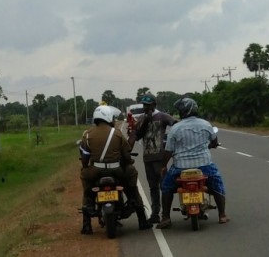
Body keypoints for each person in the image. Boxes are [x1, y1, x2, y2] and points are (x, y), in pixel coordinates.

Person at [155, 97, 229, 229]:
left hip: (180, 168)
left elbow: (169, 151)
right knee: (217, 184)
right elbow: (214, 141)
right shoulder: (206, 124)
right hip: (204, 166)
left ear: (183, 111)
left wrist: (163, 166)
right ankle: (222, 215)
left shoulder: (175, 128)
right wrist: (210, 145)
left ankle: (165, 217)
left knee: (166, 187)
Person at [79, 105, 152, 234]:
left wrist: (86, 167)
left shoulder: (87, 135)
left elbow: (84, 159)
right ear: (108, 117)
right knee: (132, 186)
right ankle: (142, 219)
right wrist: (129, 162)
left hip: (96, 170)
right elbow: (126, 154)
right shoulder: (117, 133)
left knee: (87, 187)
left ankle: (86, 224)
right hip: (116, 170)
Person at [127, 92, 177, 224]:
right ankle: (155, 214)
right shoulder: (142, 119)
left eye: (148, 105)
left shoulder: (162, 116)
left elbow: (175, 124)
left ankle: (165, 215)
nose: (145, 107)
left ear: (154, 105)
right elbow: (137, 135)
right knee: (153, 188)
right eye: (144, 105)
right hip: (148, 158)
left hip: (160, 158)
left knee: (164, 186)